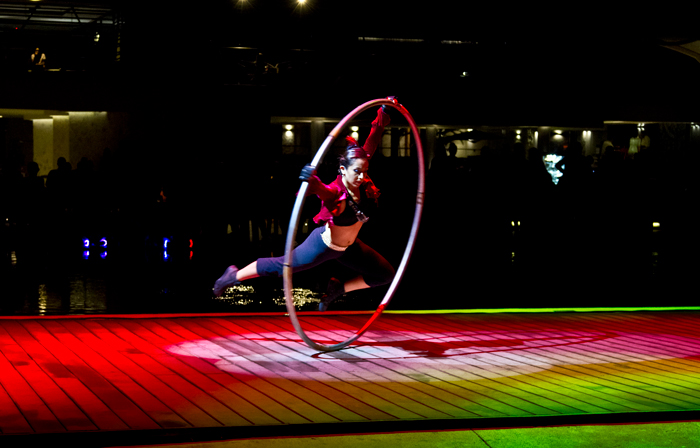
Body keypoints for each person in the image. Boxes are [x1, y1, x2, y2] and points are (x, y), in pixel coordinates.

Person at [213, 100, 397, 311]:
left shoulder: (362, 180)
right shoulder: (336, 193)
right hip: (324, 246)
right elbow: (321, 190)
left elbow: (372, 142)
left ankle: (338, 289)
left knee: (385, 274)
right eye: (357, 171)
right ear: (343, 170)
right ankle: (233, 275)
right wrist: (311, 180)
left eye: (365, 171)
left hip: (349, 247)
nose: (362, 176)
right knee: (283, 266)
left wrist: (384, 113)